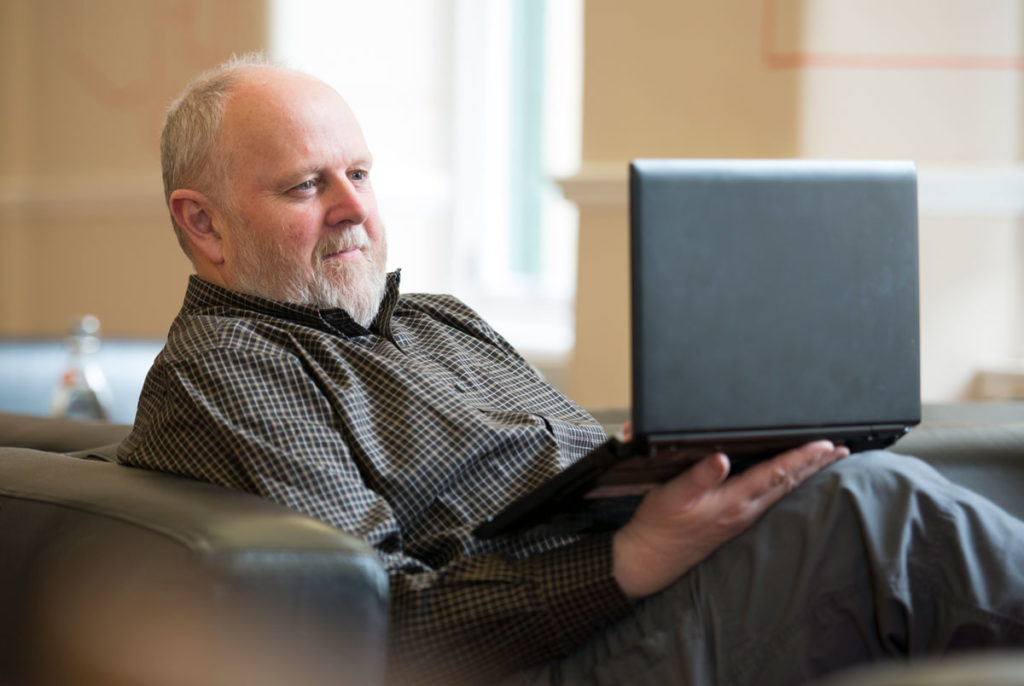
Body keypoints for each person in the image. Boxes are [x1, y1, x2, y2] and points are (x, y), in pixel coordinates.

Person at [119, 54, 1024, 686]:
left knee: (860, 470)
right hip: (542, 656)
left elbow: (583, 467)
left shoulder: (440, 321)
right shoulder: (229, 371)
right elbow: (371, 623)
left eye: (360, 171)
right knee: (874, 510)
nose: (356, 209)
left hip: (645, 593)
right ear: (203, 223)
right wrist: (630, 557)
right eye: (307, 186)